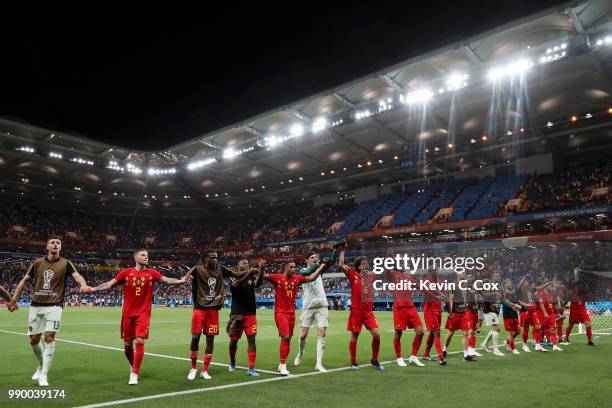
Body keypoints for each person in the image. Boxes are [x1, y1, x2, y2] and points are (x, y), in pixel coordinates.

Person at [89, 249, 189, 385]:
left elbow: (166, 280)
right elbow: (109, 284)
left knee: (140, 341)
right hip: (128, 314)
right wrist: (93, 289)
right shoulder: (126, 272)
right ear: (135, 258)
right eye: (143, 255)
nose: (146, 257)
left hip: (143, 313)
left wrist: (179, 281)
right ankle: (133, 365)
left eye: (147, 256)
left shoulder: (152, 273)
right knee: (127, 344)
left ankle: (134, 373)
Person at [9, 237, 92, 387]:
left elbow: (77, 276)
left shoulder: (66, 263)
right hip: (36, 305)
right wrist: (14, 299)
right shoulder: (37, 263)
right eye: (52, 243)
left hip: (55, 305)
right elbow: (24, 281)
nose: (55, 244)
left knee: (49, 337)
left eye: (58, 243)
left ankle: (44, 375)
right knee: (34, 340)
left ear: (60, 248)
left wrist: (83, 284)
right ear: (47, 246)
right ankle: (40, 366)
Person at [186, 251, 246, 380]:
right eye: (212, 257)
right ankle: (193, 368)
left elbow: (235, 274)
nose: (215, 259)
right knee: (195, 337)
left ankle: (204, 370)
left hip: (213, 310)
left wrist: (251, 271)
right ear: (205, 259)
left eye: (216, 257)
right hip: (199, 308)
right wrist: (187, 278)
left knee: (210, 339)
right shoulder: (197, 269)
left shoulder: (220, 269)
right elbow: (186, 277)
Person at [265, 260, 330, 375]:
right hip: (280, 313)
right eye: (291, 267)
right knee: (285, 336)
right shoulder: (277, 277)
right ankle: (284, 366)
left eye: (294, 267)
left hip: (291, 313)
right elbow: (264, 277)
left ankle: (281, 364)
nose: (293, 269)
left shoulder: (297, 278)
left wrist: (321, 267)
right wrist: (260, 269)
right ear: (286, 268)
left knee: (288, 338)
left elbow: (312, 278)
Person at [339, 246, 384, 371]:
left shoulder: (370, 278)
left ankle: (374, 360)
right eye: (364, 264)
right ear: (359, 266)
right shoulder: (353, 276)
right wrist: (342, 250)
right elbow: (341, 264)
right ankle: (353, 362)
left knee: (376, 335)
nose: (367, 265)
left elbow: (384, 271)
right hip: (356, 311)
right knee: (355, 336)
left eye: (367, 264)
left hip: (368, 312)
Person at [227, 258, 265, 376]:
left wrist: (261, 270)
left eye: (248, 263)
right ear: (238, 267)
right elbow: (235, 285)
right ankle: (232, 362)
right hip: (237, 315)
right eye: (244, 263)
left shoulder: (251, 278)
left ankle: (251, 368)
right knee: (233, 341)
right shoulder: (232, 277)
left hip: (250, 315)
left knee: (252, 339)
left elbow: (258, 284)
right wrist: (250, 272)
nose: (247, 264)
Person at [421, 269, 447, 365]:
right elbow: (427, 292)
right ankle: (441, 358)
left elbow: (443, 295)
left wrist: (445, 297)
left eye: (437, 270)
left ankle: (426, 354)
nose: (437, 271)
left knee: (433, 332)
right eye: (434, 270)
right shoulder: (426, 282)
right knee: (437, 332)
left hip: (438, 310)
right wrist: (437, 294)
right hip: (429, 310)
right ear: (430, 272)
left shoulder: (440, 282)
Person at [501, 279, 522, 355]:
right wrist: (515, 305)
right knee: (510, 332)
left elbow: (516, 301)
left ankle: (506, 342)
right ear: (505, 285)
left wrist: (519, 305)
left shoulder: (513, 292)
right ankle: (513, 349)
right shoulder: (503, 293)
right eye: (508, 283)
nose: (510, 284)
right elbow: (505, 301)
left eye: (511, 282)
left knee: (518, 331)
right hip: (507, 315)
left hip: (514, 314)